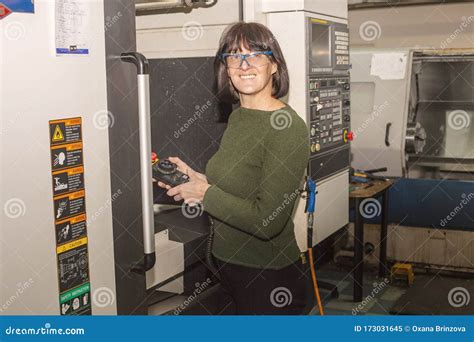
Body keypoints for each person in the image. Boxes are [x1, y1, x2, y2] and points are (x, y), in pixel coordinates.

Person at [158, 22, 310, 314]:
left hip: (267, 278)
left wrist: (205, 194)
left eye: (255, 55)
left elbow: (267, 220)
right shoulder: (240, 117)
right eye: (234, 56)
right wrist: (195, 178)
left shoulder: (287, 129)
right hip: (226, 269)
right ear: (225, 68)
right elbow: (237, 185)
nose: (244, 64)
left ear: (274, 65)